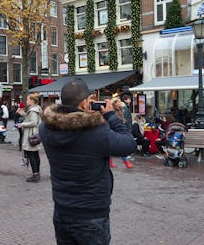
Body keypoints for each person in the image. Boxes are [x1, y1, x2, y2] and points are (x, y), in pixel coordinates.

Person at [39, 78, 136, 245]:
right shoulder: (96, 131)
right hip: (91, 214)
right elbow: (129, 144)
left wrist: (83, 116)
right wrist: (111, 116)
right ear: (85, 104)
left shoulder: (45, 128)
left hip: (62, 211)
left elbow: (71, 124)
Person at [17, 93, 42, 183]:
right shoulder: (36, 109)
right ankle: (37, 174)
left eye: (27, 99)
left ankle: (35, 175)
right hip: (35, 134)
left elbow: (33, 122)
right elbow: (31, 119)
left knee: (32, 155)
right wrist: (23, 114)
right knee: (35, 154)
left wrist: (22, 124)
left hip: (31, 136)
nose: (26, 101)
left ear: (32, 101)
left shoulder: (33, 110)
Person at [111, 96, 134, 168]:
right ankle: (125, 161)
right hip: (113, 130)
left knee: (118, 145)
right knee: (113, 145)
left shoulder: (121, 109)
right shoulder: (112, 111)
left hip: (119, 129)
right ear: (114, 104)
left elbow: (124, 119)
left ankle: (125, 162)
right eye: (118, 101)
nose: (120, 102)